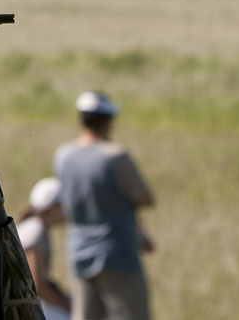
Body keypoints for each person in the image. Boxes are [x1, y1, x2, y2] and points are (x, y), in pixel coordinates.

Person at [53, 91, 155, 320]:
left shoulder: (64, 156)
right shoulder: (116, 156)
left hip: (79, 253)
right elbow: (145, 197)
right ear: (108, 121)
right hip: (118, 253)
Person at [16, 177, 71, 320]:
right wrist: (68, 307)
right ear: (53, 207)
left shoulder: (33, 227)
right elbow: (37, 286)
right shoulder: (35, 233)